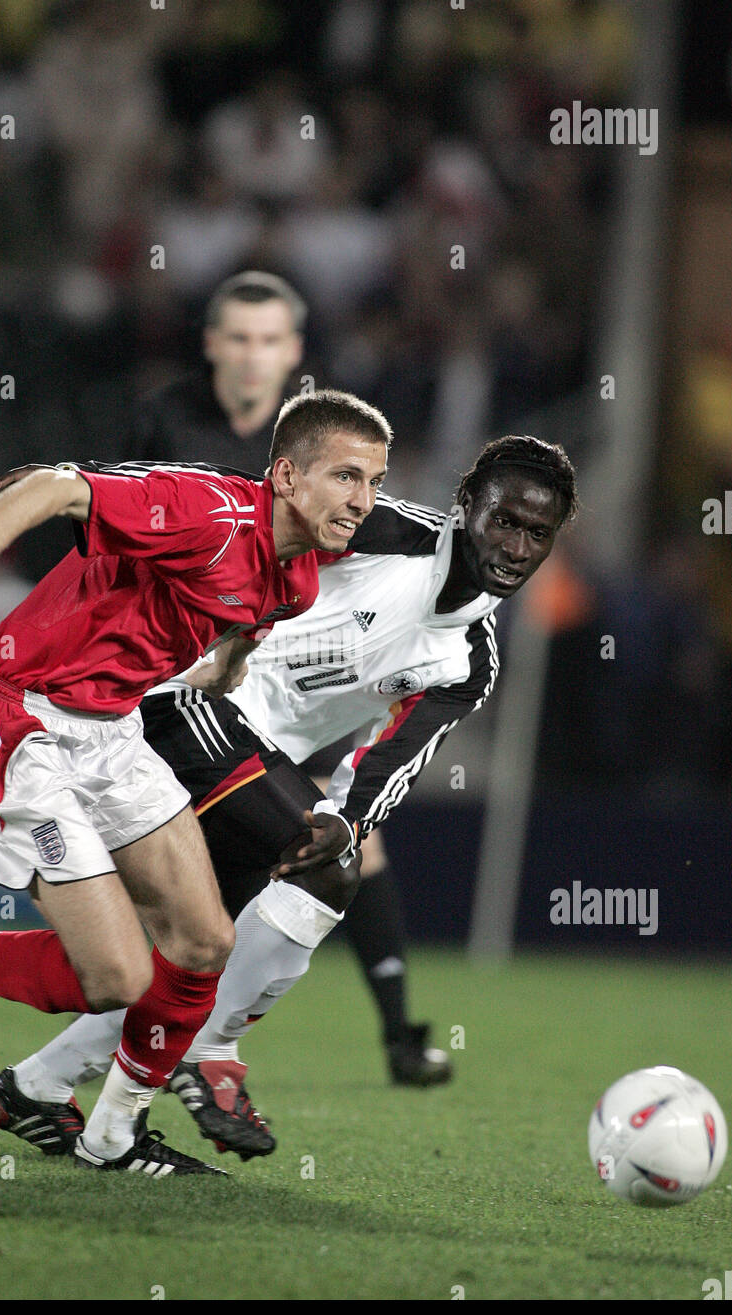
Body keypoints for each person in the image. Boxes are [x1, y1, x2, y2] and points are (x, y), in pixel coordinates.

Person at [0, 435, 578, 1162]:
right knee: (319, 879)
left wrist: (344, 821)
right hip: (181, 699)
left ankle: (33, 1081)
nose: (515, 545)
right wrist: (88, 478)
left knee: (195, 952)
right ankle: (206, 1053)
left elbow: (391, 761)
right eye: (502, 520)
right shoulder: (385, 530)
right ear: (463, 507)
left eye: (536, 533)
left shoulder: (469, 660)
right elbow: (250, 501)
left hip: (250, 761)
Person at [0, 390, 391, 1177]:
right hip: (25, 722)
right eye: (346, 477)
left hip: (114, 731)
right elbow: (58, 484)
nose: (362, 500)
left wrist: (228, 663)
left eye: (374, 482)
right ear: (286, 475)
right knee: (116, 978)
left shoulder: (299, 581)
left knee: (203, 941)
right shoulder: (208, 510)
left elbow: (240, 617)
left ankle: (112, 1137)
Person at [130, 267, 450, 1085]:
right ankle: (169, 1045)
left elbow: (378, 532)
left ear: (293, 350)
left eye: (268, 339)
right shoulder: (167, 419)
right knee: (183, 892)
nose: (251, 355)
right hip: (183, 676)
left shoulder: (315, 444)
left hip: (287, 675)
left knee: (336, 846)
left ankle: (393, 1037)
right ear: (211, 345)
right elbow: (131, 529)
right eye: (236, 337)